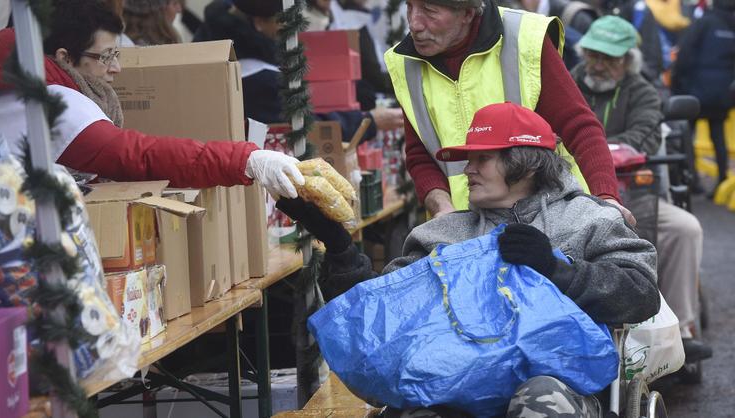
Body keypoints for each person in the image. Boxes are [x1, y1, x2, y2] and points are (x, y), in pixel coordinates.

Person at [278, 102, 660, 417]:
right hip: (455, 386)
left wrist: (558, 269)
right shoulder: (443, 234)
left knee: (539, 398)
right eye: (466, 159)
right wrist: (339, 244)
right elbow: (380, 321)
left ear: (526, 164)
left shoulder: (588, 220)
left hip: (559, 384)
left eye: (482, 159)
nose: (467, 170)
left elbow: (642, 294)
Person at [0, 0, 306, 200]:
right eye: (107, 56)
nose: (116, 68)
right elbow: (139, 156)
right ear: (65, 58)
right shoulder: (53, 103)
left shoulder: (20, 81)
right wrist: (245, 159)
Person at [383, 0, 634, 227]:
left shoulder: (524, 38)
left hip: (552, 220)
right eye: (409, 6)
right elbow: (419, 155)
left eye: (429, 10)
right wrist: (443, 209)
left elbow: (579, 127)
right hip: (468, 233)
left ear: (468, 14)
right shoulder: (405, 62)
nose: (414, 23)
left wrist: (607, 198)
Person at [572, 15, 712, 361]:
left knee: (685, 228)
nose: (599, 65)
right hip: (572, 193)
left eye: (609, 58)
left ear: (628, 60)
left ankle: (680, 327)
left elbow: (641, 139)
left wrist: (586, 148)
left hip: (633, 192)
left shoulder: (643, 92)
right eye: (593, 55)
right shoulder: (567, 83)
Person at [194, 0, 404, 139]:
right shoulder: (255, 76)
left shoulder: (221, 53)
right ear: (259, 23)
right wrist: (369, 122)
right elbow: (306, 127)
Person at [672, 0, 735, 195]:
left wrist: (676, 82)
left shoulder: (704, 22)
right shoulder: (731, 25)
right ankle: (722, 179)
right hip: (722, 92)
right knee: (718, 136)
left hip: (696, 90)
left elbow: (685, 52)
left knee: (686, 134)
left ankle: (692, 180)